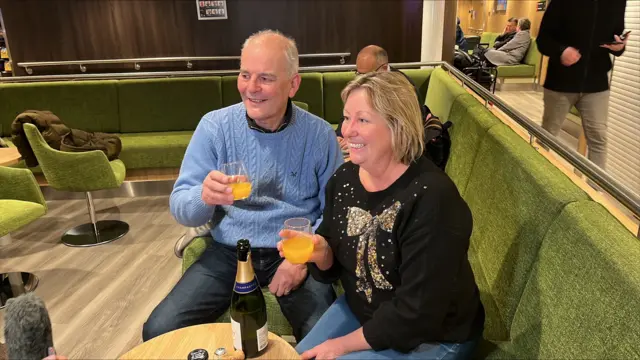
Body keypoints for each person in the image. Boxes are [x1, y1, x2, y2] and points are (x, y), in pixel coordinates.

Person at [142, 30, 343, 342]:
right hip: (229, 251)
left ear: (293, 84)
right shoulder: (215, 127)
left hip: (289, 248)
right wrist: (203, 195)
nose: (251, 88)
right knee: (158, 329)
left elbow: (335, 211)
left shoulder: (319, 136)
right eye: (245, 74)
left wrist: (299, 259)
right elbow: (182, 208)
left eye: (265, 78)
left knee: (323, 338)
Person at [280, 71, 485, 359]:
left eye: (362, 120)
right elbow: (335, 258)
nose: (346, 131)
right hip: (365, 311)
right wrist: (321, 252)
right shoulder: (344, 179)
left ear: (397, 125)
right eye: (346, 117)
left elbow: (417, 313)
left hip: (433, 335)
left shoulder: (432, 198)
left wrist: (340, 346)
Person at [537, 0, 628, 170]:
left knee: (599, 138)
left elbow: (615, 37)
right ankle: (538, 179)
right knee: (548, 135)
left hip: (597, 83)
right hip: (561, 82)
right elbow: (543, 40)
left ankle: (595, 192)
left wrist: (619, 47)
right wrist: (561, 51)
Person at [336, 45, 432, 148]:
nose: (362, 80)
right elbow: (351, 111)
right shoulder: (362, 84)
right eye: (359, 74)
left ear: (384, 68)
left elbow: (404, 131)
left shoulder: (404, 89)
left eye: (368, 75)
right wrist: (339, 136)